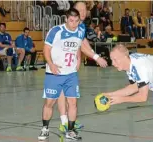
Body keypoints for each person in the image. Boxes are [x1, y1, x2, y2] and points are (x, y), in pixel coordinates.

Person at [56, 1, 109, 134]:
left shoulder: (81, 27)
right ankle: (64, 122)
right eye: (81, 9)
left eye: (85, 9)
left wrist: (79, 59)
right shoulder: (68, 26)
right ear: (74, 11)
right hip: (59, 64)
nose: (84, 12)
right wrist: (97, 58)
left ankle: (70, 120)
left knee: (71, 95)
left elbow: (81, 44)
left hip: (70, 65)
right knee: (62, 94)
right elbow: (83, 46)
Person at [38, 8, 84, 141]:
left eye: (76, 21)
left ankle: (70, 130)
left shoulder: (80, 31)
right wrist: (51, 64)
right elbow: (46, 49)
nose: (73, 23)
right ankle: (45, 128)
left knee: (73, 103)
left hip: (71, 74)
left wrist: (79, 59)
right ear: (66, 19)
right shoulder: (56, 31)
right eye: (71, 20)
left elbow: (78, 46)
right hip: (55, 73)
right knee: (49, 102)